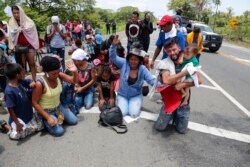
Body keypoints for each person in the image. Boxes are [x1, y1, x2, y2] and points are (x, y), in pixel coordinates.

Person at [154, 38, 202, 134]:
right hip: (170, 98)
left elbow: (199, 81)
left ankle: (179, 112)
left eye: (174, 49)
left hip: (183, 99)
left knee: (181, 130)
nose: (172, 53)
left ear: (179, 48)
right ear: (165, 51)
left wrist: (182, 84)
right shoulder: (165, 63)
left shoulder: (188, 58)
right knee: (160, 127)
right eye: (169, 51)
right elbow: (166, 80)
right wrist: (184, 73)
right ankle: (171, 113)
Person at [109, 35, 156, 118]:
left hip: (135, 95)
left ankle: (138, 100)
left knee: (133, 114)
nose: (133, 62)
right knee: (122, 113)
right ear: (128, 59)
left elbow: (152, 81)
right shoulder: (124, 63)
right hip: (122, 94)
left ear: (139, 60)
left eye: (136, 59)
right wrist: (113, 45)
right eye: (131, 59)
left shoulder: (143, 69)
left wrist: (164, 83)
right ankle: (121, 100)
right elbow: (113, 57)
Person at [32, 56, 78, 137]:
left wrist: (75, 72)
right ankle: (45, 120)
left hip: (58, 107)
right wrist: (48, 117)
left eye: (58, 71)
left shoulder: (59, 75)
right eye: (53, 73)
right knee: (59, 131)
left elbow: (74, 81)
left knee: (74, 121)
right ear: (46, 72)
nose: (56, 75)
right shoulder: (40, 83)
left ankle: (56, 118)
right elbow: (35, 103)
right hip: (46, 111)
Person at [4, 63, 43, 140]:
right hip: (19, 120)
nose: (24, 73)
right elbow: (10, 109)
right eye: (22, 72)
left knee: (41, 126)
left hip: (29, 115)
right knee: (18, 136)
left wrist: (32, 82)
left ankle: (29, 126)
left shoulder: (21, 82)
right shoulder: (9, 91)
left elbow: (30, 81)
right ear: (17, 75)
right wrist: (17, 123)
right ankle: (6, 126)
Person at [8, 5, 39, 83]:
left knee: (32, 64)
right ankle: (23, 82)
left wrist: (23, 29)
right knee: (21, 66)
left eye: (18, 13)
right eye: (14, 13)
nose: (16, 15)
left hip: (29, 45)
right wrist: (17, 30)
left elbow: (33, 32)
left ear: (21, 12)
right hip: (19, 46)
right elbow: (11, 34)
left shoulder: (28, 21)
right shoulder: (11, 22)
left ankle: (34, 80)